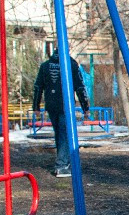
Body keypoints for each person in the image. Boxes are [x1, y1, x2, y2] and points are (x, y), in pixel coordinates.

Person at [32, 49, 89, 178]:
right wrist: (85, 106)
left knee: (60, 133)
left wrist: (36, 106)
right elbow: (80, 87)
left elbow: (38, 87)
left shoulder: (45, 66)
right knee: (65, 134)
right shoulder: (71, 65)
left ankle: (65, 162)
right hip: (66, 104)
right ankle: (61, 165)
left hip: (51, 104)